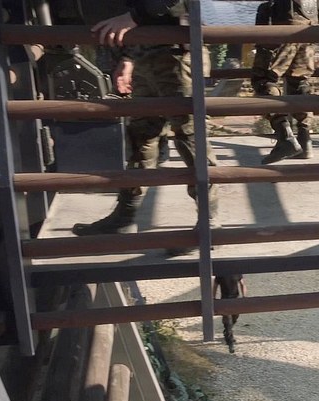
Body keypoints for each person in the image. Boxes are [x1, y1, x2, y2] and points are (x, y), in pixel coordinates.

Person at [72, 0, 219, 256]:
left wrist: (133, 17)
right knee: (141, 134)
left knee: (189, 134)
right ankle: (125, 214)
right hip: (146, 52)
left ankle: (209, 222)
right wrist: (128, 57)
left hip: (176, 50)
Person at [252, 0, 318, 164]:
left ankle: (285, 137)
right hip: (308, 22)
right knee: (299, 81)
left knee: (263, 79)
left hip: (281, 21)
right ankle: (305, 140)